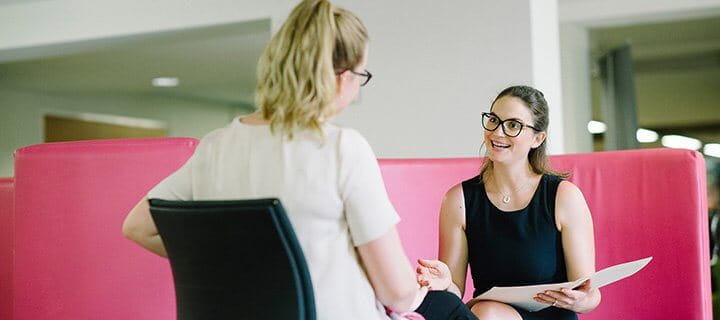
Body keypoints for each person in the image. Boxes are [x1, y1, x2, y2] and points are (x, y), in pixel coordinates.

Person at [122, 1, 475, 319]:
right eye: (361, 77)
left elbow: (137, 226)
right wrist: (432, 290)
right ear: (342, 78)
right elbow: (397, 293)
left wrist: (232, 265)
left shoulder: (215, 148)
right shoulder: (341, 149)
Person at [418, 86, 601, 320]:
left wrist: (582, 300)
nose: (498, 132)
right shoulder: (458, 200)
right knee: (475, 309)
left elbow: (590, 294)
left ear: (537, 138)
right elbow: (455, 291)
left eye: (513, 125)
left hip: (552, 316)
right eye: (494, 120)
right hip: (490, 316)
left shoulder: (564, 196)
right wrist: (445, 282)